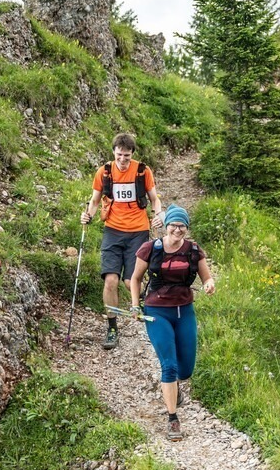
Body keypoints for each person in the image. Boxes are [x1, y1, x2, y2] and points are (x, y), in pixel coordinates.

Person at [129, 204, 215, 441]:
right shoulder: (150, 249)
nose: (178, 230)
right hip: (157, 311)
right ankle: (172, 419)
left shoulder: (194, 250)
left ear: (187, 228)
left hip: (184, 310)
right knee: (169, 365)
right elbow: (135, 279)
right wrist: (135, 304)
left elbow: (206, 276)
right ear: (166, 227)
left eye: (182, 226)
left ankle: (174, 387)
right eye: (174, 225)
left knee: (185, 370)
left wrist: (209, 284)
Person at [81, 133, 164, 349]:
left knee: (130, 282)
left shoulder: (142, 171)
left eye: (126, 156)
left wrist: (158, 214)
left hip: (138, 231)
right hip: (113, 231)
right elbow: (95, 200)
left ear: (132, 154)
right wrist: (87, 215)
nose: (122, 160)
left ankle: (154, 309)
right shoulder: (104, 172)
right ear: (113, 152)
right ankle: (112, 328)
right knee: (110, 280)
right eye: (119, 155)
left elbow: (155, 199)